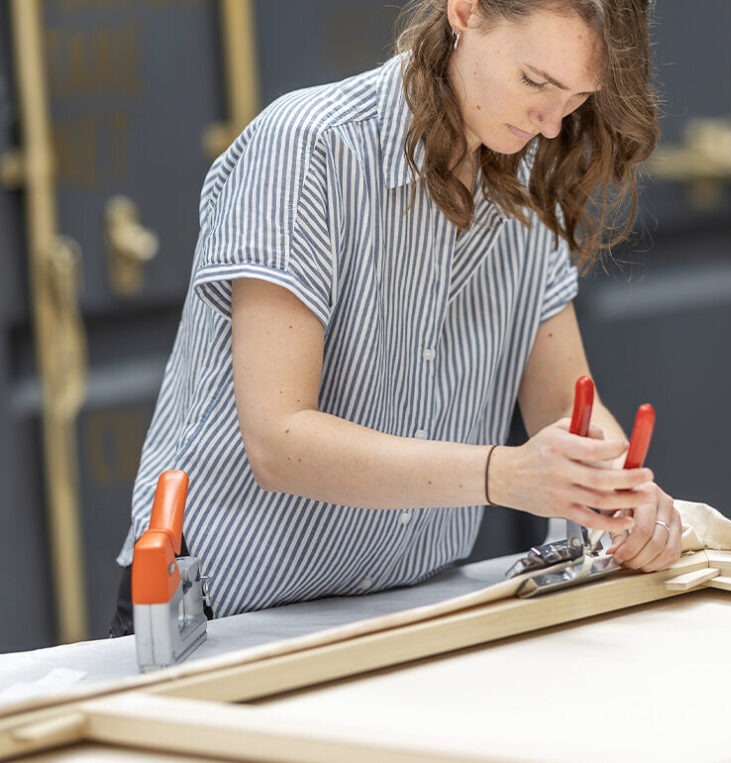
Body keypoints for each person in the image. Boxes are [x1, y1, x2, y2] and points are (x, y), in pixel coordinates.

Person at [110, 0, 683, 634]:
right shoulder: (309, 148)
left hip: (403, 610)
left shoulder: (523, 183)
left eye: (577, 97)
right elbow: (278, 441)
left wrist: (617, 491)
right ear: (465, 11)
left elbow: (562, 406)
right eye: (535, 82)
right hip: (228, 615)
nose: (551, 125)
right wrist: (504, 474)